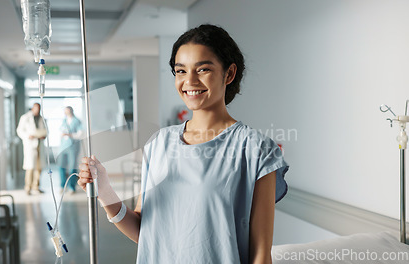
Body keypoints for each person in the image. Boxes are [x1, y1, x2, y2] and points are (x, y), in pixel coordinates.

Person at [77, 24, 289, 263]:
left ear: (229, 74)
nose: (190, 81)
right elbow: (144, 232)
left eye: (203, 69)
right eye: (180, 71)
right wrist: (105, 191)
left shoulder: (255, 150)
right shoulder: (159, 143)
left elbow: (260, 254)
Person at [16, 103, 47, 195]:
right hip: (30, 144)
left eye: (39, 108)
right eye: (36, 108)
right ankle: (28, 187)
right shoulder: (25, 117)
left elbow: (45, 130)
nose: (37, 110)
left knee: (39, 167)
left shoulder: (42, 118)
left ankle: (36, 186)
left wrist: (44, 136)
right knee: (30, 167)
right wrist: (27, 136)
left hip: (39, 144)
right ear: (32, 108)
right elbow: (19, 131)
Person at [56, 106, 83, 194]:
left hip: (72, 147)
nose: (66, 113)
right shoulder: (64, 121)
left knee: (72, 167)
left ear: (72, 111)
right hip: (63, 147)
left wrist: (69, 134)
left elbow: (79, 134)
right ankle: (62, 185)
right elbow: (60, 132)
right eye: (65, 112)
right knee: (61, 166)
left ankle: (72, 187)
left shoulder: (77, 121)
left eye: (68, 111)